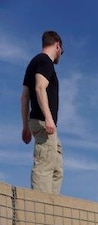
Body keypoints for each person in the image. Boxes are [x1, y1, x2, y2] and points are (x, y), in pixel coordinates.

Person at [21, 30, 64, 194]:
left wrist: (26, 126)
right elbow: (40, 87)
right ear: (57, 45)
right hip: (44, 122)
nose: (60, 55)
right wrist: (48, 118)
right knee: (45, 165)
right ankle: (41, 210)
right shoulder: (46, 62)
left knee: (56, 166)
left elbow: (24, 97)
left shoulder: (32, 63)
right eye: (62, 51)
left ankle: (51, 207)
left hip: (37, 122)